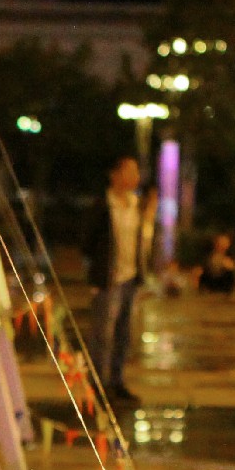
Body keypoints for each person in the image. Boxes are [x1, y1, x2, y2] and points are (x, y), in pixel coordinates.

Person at [81, 153, 150, 401]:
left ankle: (117, 380)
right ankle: (97, 383)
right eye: (129, 171)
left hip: (130, 277)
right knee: (102, 334)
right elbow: (87, 241)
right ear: (114, 175)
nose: (135, 177)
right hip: (108, 279)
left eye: (136, 172)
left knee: (123, 333)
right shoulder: (103, 205)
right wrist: (99, 269)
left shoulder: (136, 204)